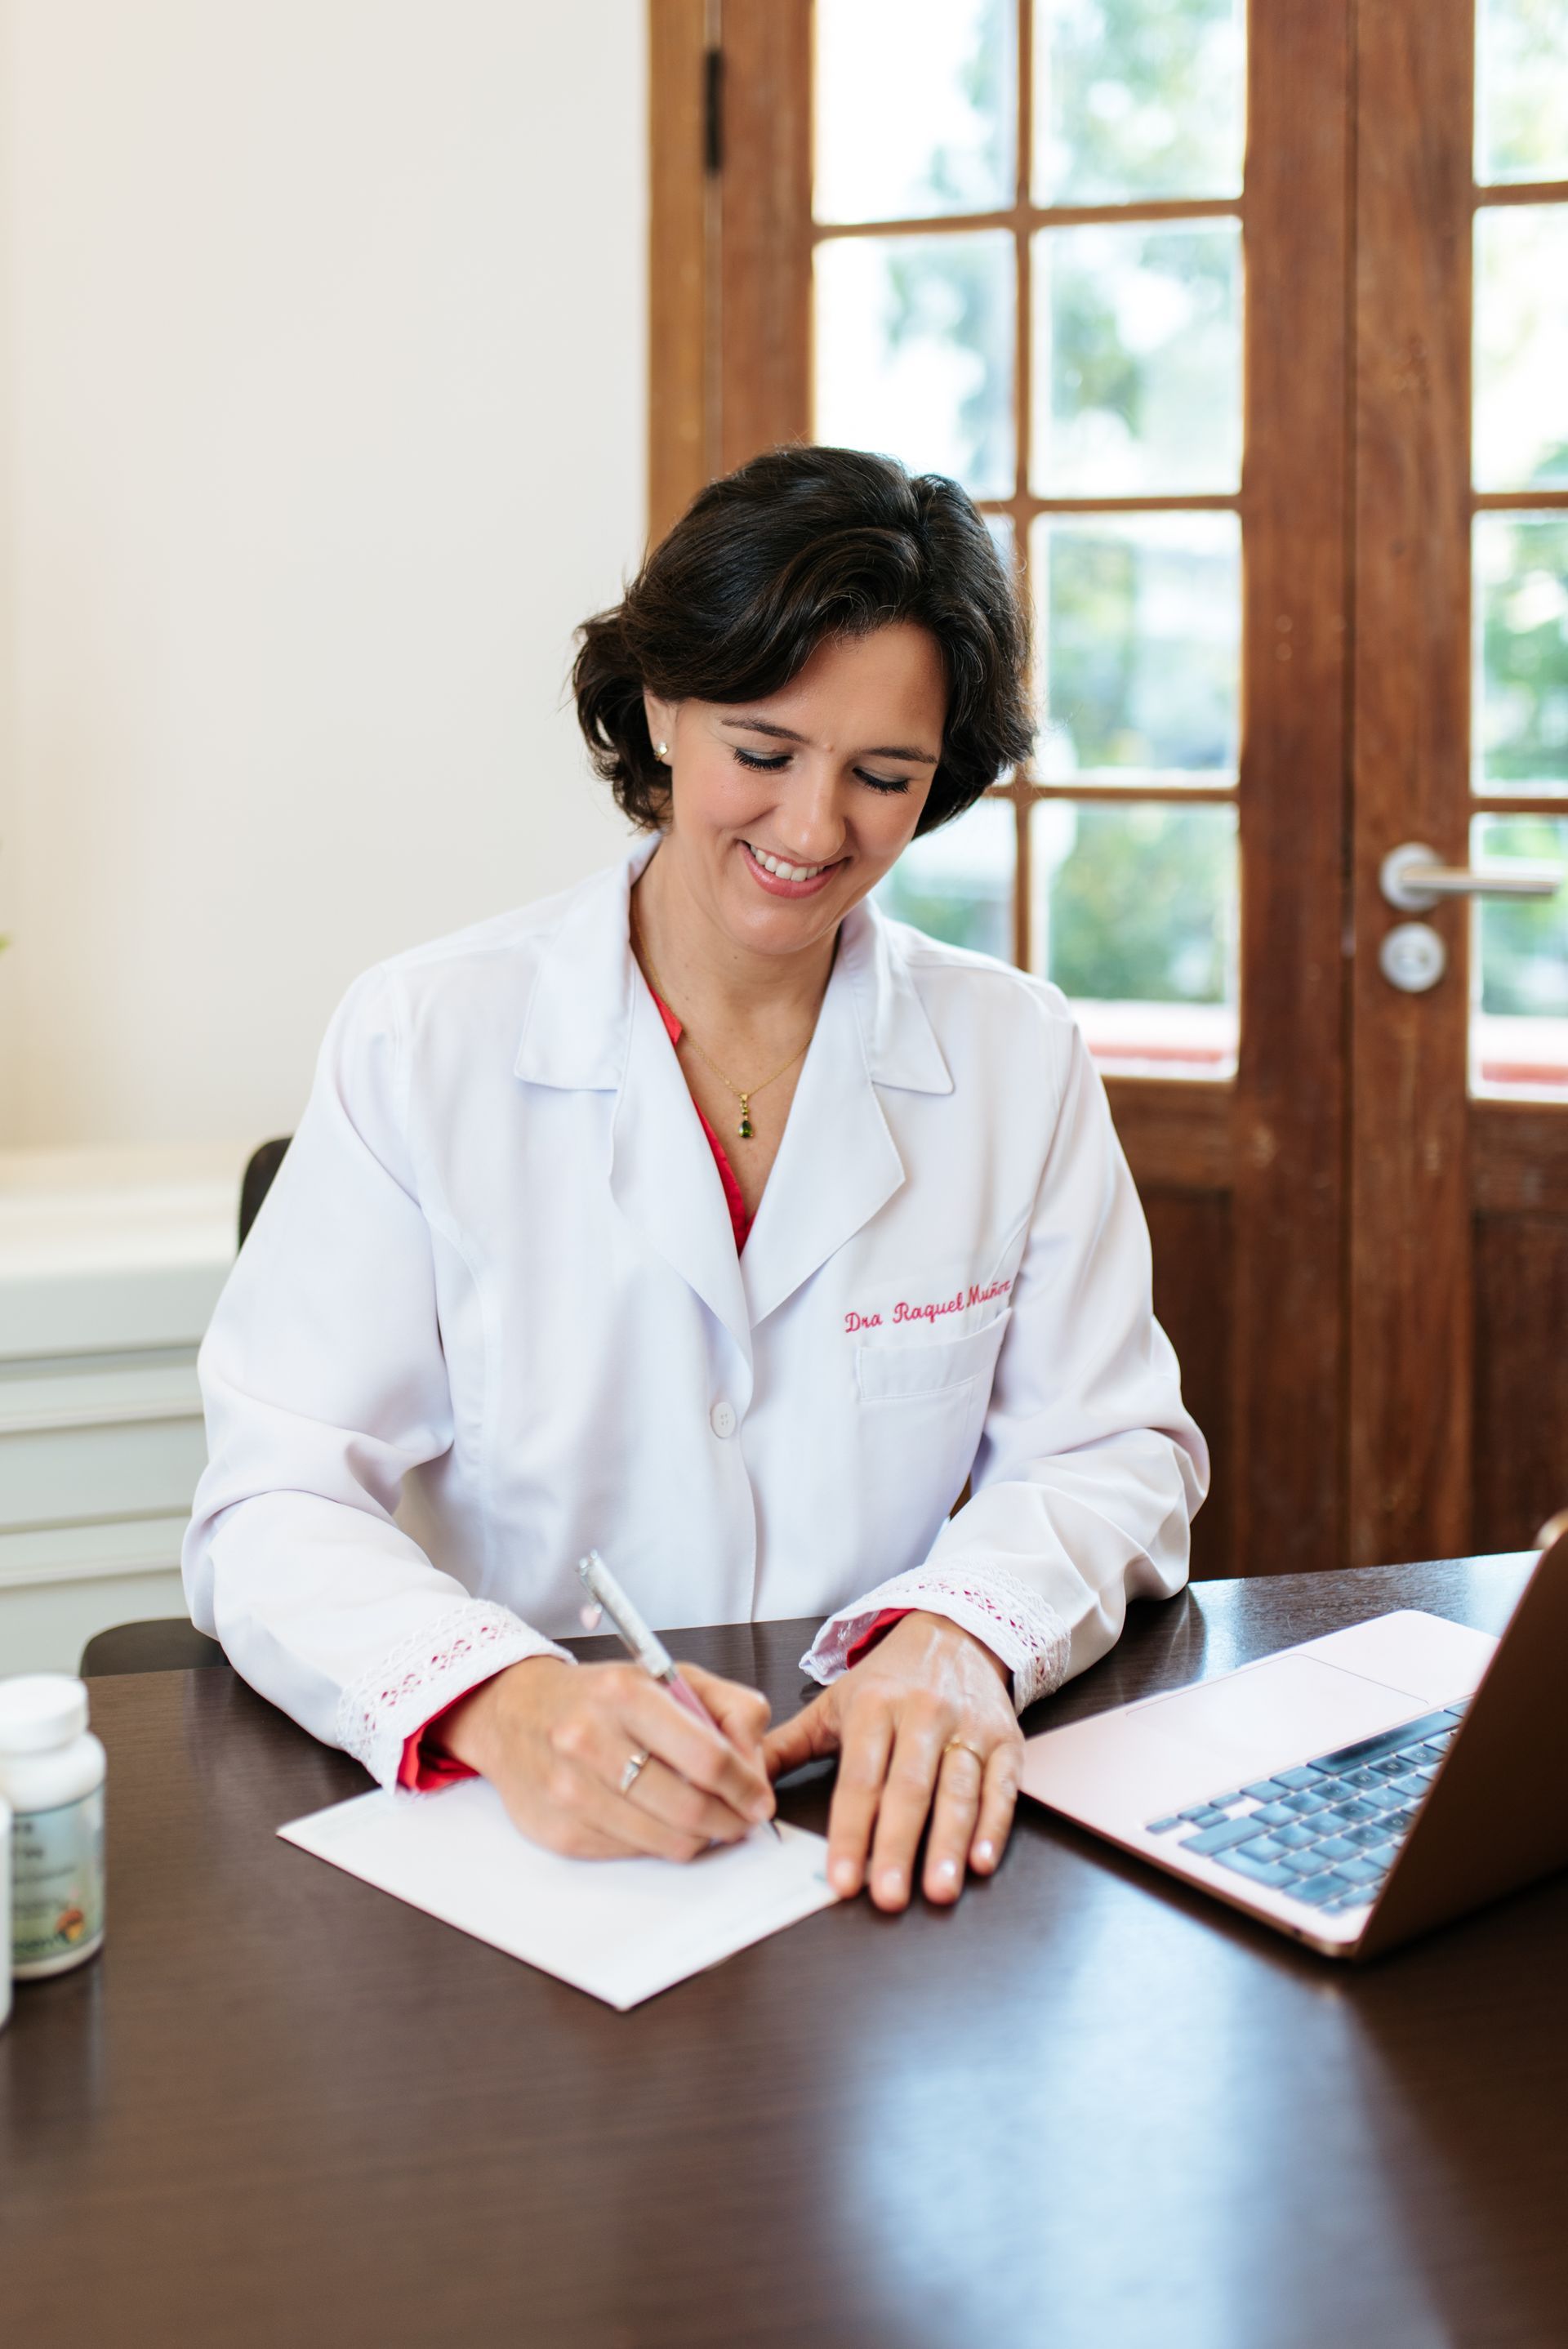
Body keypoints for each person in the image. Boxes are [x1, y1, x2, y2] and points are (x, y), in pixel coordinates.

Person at [183, 445, 1207, 1912]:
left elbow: (1115, 1451)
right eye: (766, 751)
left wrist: (958, 1632)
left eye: (885, 776)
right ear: (662, 706)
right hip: (533, 1848)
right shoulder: (428, 1038)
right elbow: (269, 1505)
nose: (811, 831)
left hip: (888, 1840)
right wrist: (508, 1702)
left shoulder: (1015, 1056)